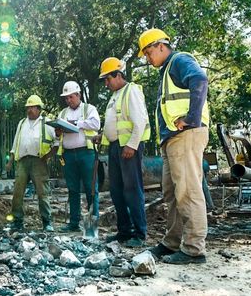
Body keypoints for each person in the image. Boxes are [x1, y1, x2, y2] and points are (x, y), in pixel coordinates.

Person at [139, 28, 210, 264]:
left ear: (161, 46)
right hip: (172, 139)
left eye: (149, 53)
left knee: (188, 191)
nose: (148, 59)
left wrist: (191, 117)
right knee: (171, 193)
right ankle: (172, 242)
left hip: (186, 135)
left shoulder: (180, 60)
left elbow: (200, 79)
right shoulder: (167, 71)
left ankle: (193, 249)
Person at [96, 57, 150, 247]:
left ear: (118, 75)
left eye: (107, 79)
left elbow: (140, 120)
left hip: (127, 148)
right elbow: (115, 124)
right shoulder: (114, 96)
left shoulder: (131, 91)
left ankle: (139, 233)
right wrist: (102, 137)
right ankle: (124, 231)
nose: (106, 83)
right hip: (115, 147)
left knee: (132, 189)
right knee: (117, 190)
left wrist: (132, 145)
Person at [6, 94, 58, 232]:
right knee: (18, 192)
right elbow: (16, 142)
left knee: (42, 192)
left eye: (32, 107)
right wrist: (11, 161)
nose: (29, 110)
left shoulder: (47, 123)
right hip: (22, 161)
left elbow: (57, 142)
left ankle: (47, 222)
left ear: (39, 109)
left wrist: (47, 156)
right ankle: (17, 221)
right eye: (28, 107)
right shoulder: (22, 123)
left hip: (38, 161)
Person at [55, 81, 100, 232]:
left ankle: (91, 227)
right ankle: (74, 223)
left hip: (86, 153)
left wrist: (76, 123)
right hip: (68, 155)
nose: (68, 100)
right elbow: (57, 134)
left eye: (71, 97)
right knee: (73, 189)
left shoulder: (89, 109)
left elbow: (95, 124)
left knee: (91, 189)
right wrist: (59, 131)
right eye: (66, 98)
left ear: (78, 95)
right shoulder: (62, 113)